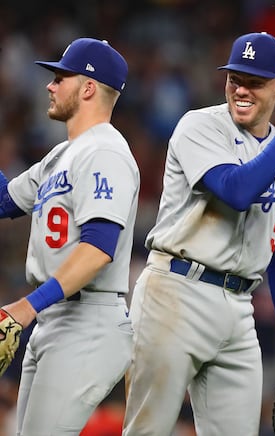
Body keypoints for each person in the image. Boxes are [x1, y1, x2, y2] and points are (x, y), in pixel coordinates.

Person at [123, 32, 275, 435]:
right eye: (235, 79)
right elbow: (238, 190)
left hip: (239, 305)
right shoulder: (200, 126)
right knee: (149, 429)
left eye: (255, 82)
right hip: (175, 292)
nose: (241, 90)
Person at [0, 38, 139, 434]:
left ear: (89, 87)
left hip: (88, 321)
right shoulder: (63, 155)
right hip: (56, 317)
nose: (50, 84)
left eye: (61, 76)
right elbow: (4, 201)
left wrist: (27, 307)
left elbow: (98, 249)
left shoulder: (106, 152)